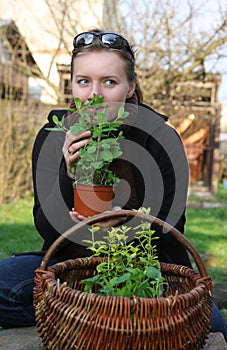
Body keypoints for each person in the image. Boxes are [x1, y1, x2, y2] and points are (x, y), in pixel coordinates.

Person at [0, 28, 226, 342]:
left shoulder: (159, 138)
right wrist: (70, 173)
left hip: (150, 273)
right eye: (84, 81)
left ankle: (92, 316)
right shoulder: (53, 136)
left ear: (130, 86)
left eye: (109, 82)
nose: (94, 95)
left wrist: (126, 222)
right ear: (73, 84)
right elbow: (47, 229)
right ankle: (103, 317)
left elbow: (172, 228)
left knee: (213, 325)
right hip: (69, 271)